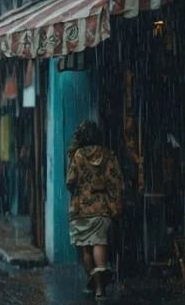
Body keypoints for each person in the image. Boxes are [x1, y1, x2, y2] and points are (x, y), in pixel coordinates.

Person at [66, 120, 123, 301]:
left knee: (87, 248)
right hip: (102, 207)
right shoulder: (108, 155)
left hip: (81, 209)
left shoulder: (77, 156)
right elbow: (115, 181)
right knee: (100, 242)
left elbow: (70, 182)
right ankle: (100, 289)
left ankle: (92, 284)